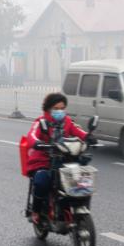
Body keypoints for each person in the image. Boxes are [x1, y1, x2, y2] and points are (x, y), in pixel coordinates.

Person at [25, 93, 93, 223]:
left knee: (83, 181)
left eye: (62, 108)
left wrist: (88, 137)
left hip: (66, 159)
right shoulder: (41, 122)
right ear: (48, 109)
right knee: (42, 181)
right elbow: (31, 136)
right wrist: (37, 143)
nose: (59, 111)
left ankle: (75, 207)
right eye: (56, 108)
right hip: (44, 160)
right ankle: (36, 211)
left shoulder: (67, 121)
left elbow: (79, 132)